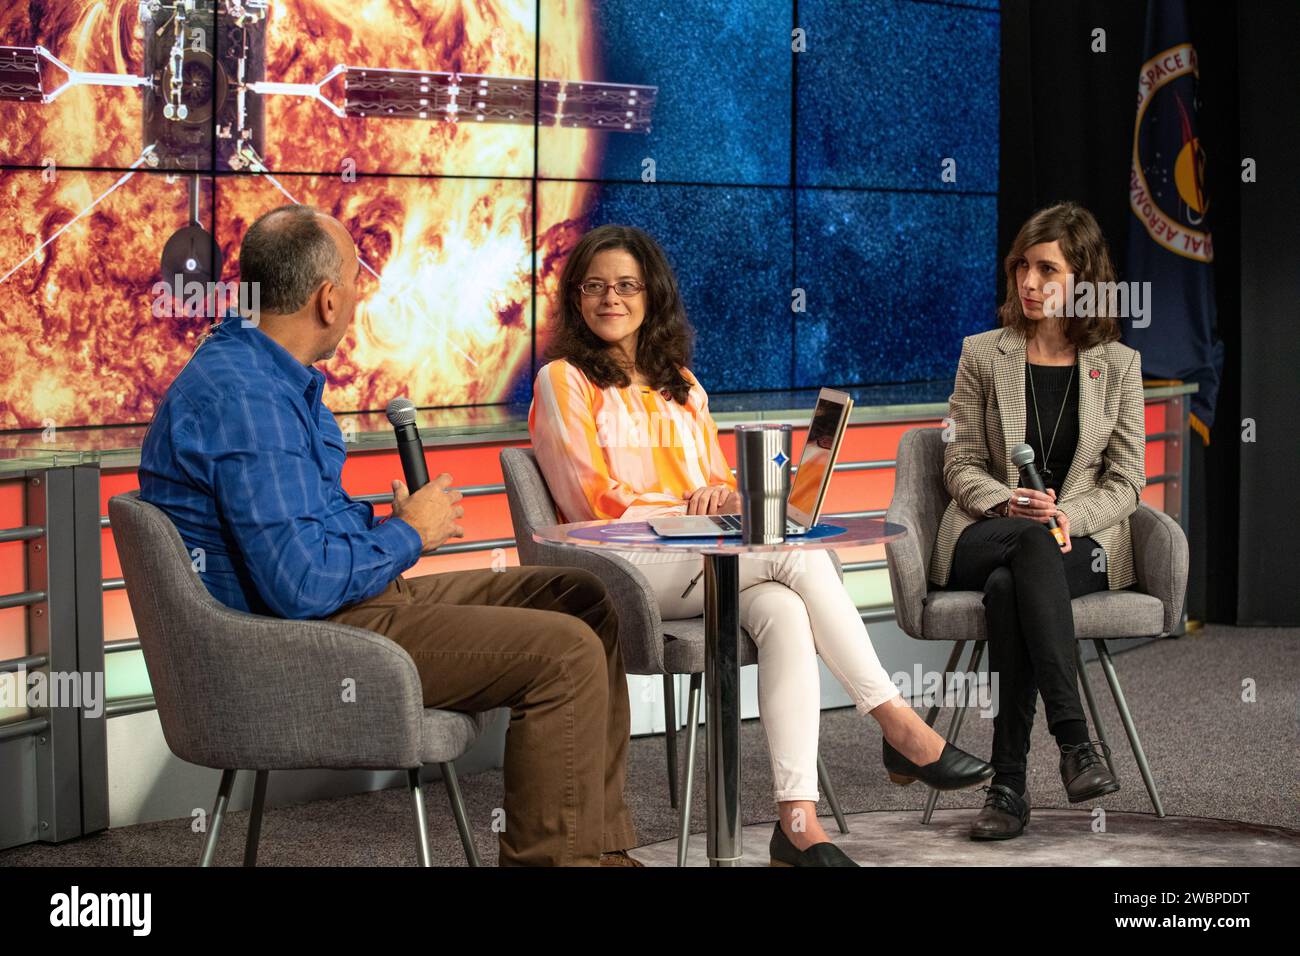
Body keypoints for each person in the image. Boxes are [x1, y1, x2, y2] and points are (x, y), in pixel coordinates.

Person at [139, 204, 639, 866]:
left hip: (358, 609)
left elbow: (303, 533)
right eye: (353, 280)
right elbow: (303, 585)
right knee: (565, 653)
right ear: (326, 298)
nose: (356, 297)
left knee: (581, 598)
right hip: (309, 643)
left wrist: (383, 527)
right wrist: (407, 533)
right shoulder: (246, 399)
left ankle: (598, 853)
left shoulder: (263, 373)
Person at [528, 224, 993, 867]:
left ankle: (796, 824)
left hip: (700, 560)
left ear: (651, 295)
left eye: (627, 285)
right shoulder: (563, 379)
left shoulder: (683, 385)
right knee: (795, 551)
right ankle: (897, 723)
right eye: (596, 286)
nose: (612, 298)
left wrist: (721, 500)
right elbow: (590, 499)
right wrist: (684, 511)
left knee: (786, 609)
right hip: (620, 567)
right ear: (577, 298)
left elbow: (717, 479)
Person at [931, 201, 1146, 840]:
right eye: (1022, 267)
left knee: (1011, 586)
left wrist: (1067, 515)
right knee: (1025, 545)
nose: (1029, 283)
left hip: (1074, 542)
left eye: (1046, 269)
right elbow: (959, 464)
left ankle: (1008, 785)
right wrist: (1008, 500)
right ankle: (1075, 741)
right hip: (984, 528)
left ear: (1082, 278)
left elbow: (1127, 483)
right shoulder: (982, 353)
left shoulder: (1119, 366)